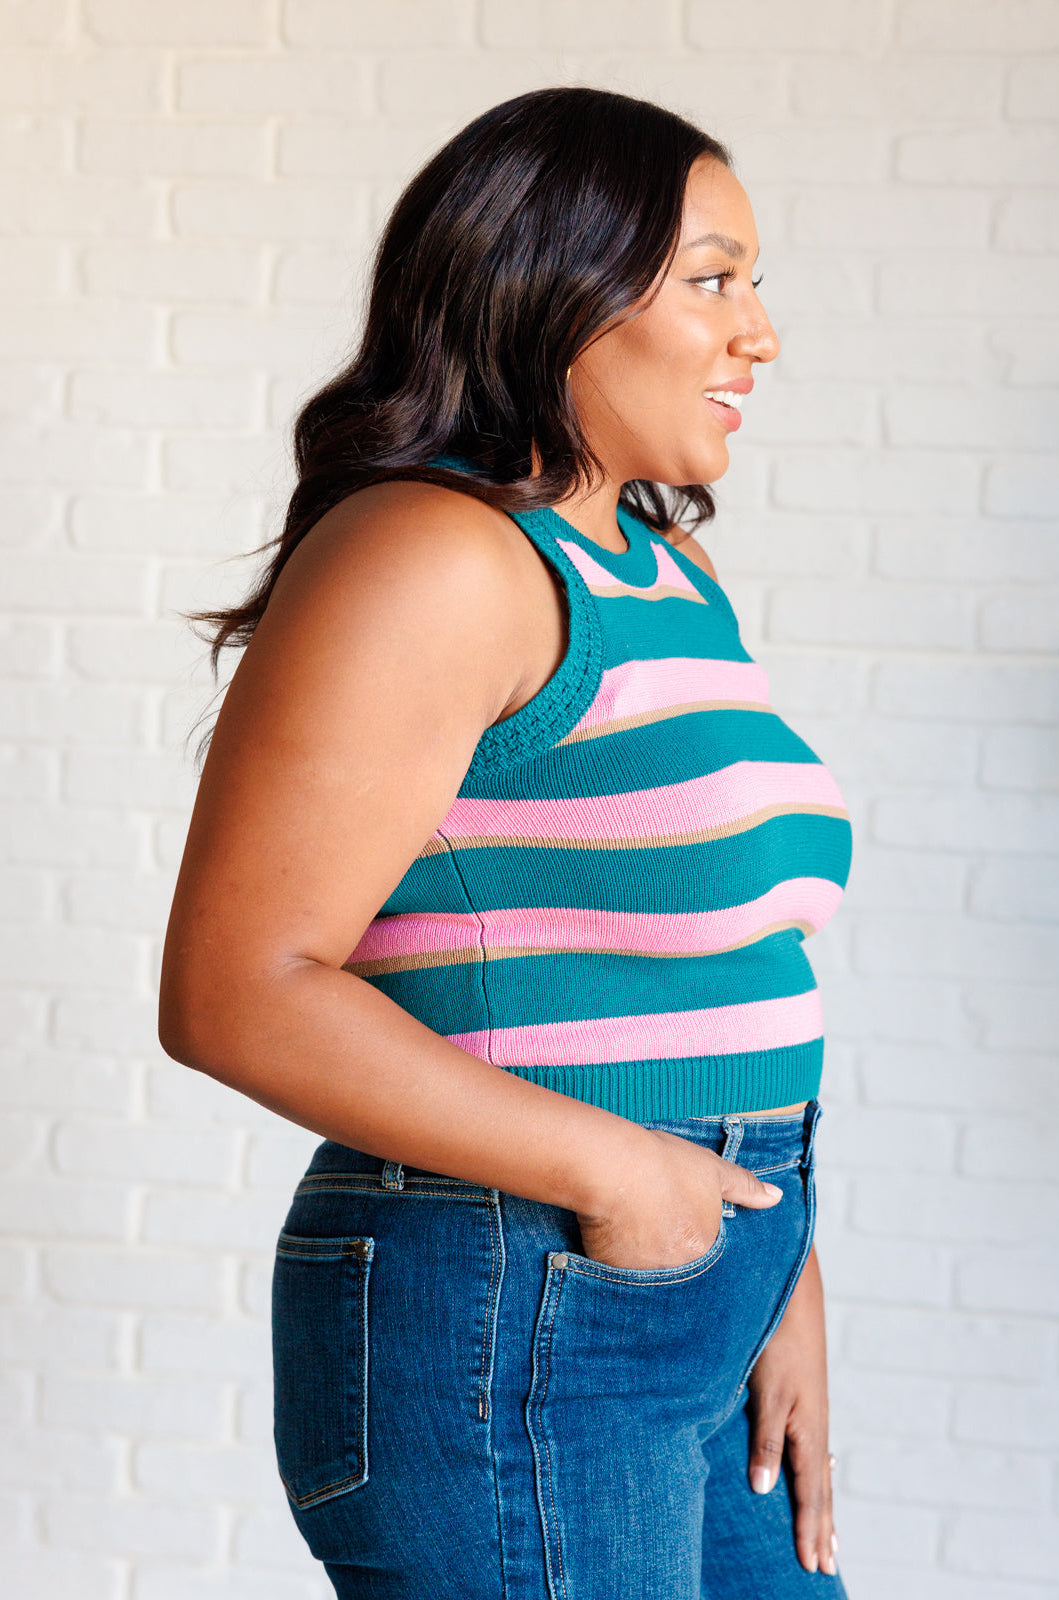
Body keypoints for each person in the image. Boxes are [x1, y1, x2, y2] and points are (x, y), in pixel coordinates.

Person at [159, 86, 852, 1599]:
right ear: (557, 288)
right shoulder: (435, 556)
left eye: (755, 283)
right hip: (520, 1287)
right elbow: (237, 989)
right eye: (713, 280)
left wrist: (773, 1265)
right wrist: (639, 1183)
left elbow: (713, 973)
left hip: (689, 1271)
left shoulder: (661, 571)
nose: (760, 334)